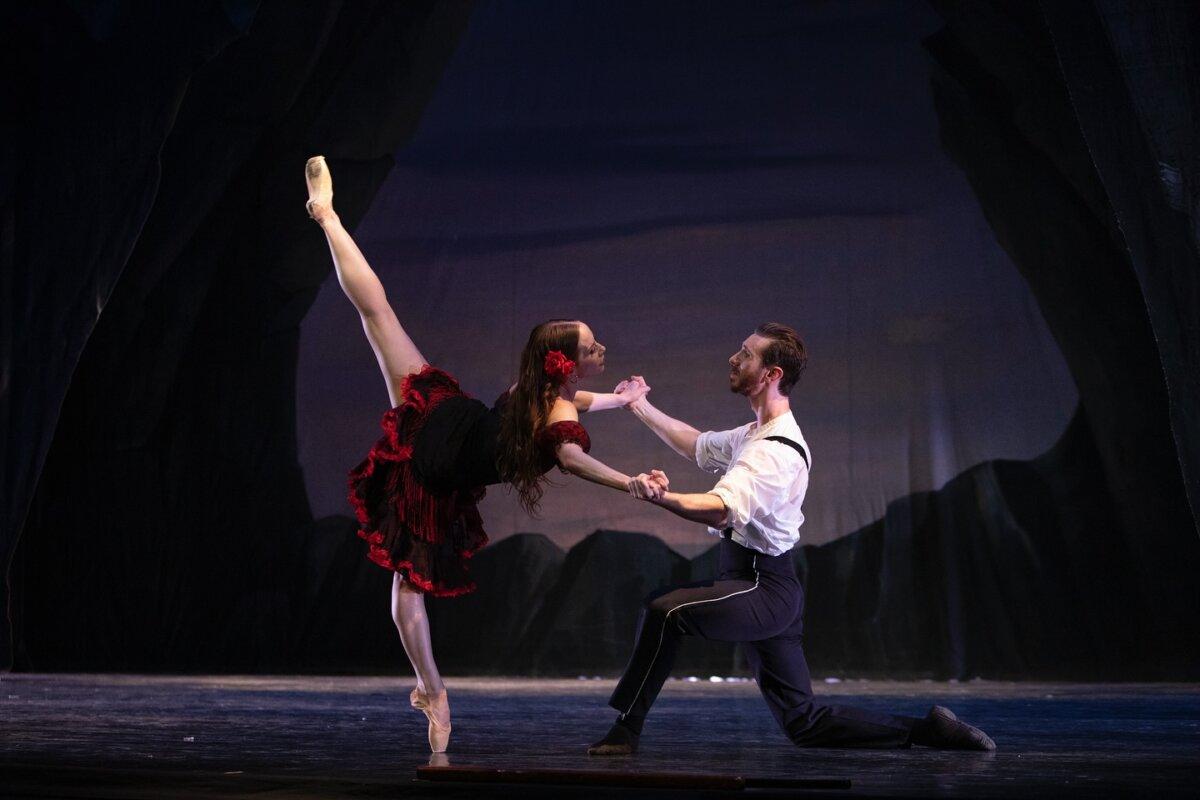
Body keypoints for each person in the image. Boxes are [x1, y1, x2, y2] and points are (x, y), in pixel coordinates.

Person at [304, 156, 660, 753]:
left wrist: (618, 401)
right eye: (592, 347)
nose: (602, 349)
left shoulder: (540, 388)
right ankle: (432, 690)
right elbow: (571, 459)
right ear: (567, 365)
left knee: (378, 313)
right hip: (435, 466)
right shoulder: (557, 413)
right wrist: (630, 483)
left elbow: (577, 401)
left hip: (444, 414)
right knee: (409, 585)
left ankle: (327, 218)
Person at [588, 322, 996, 754]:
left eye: (746, 354)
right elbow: (697, 445)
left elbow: (721, 507)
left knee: (664, 611)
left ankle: (626, 730)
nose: (734, 359)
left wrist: (660, 496)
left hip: (761, 587)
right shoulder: (755, 434)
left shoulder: (775, 451)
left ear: (772, 374)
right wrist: (639, 405)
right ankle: (930, 730)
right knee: (805, 722)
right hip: (764, 586)